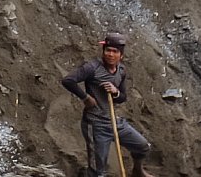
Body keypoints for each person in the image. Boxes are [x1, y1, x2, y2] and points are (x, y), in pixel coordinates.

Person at [61, 33, 156, 177]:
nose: (110, 54)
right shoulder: (92, 68)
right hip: (95, 125)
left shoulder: (121, 71)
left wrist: (115, 92)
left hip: (114, 122)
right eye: (108, 50)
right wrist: (85, 97)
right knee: (98, 171)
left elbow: (122, 98)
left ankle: (138, 170)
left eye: (115, 51)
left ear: (121, 55)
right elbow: (68, 80)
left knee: (142, 147)